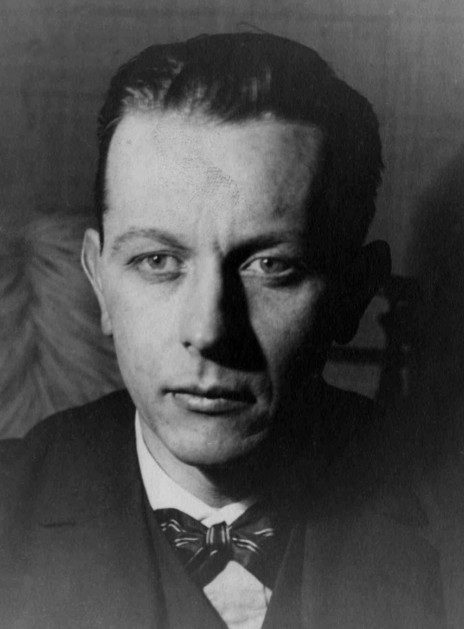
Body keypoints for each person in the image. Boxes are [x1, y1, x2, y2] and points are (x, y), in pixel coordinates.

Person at [0, 33, 445, 628]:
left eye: (270, 266)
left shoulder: (445, 514)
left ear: (354, 294)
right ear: (100, 283)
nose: (209, 331)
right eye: (158, 261)